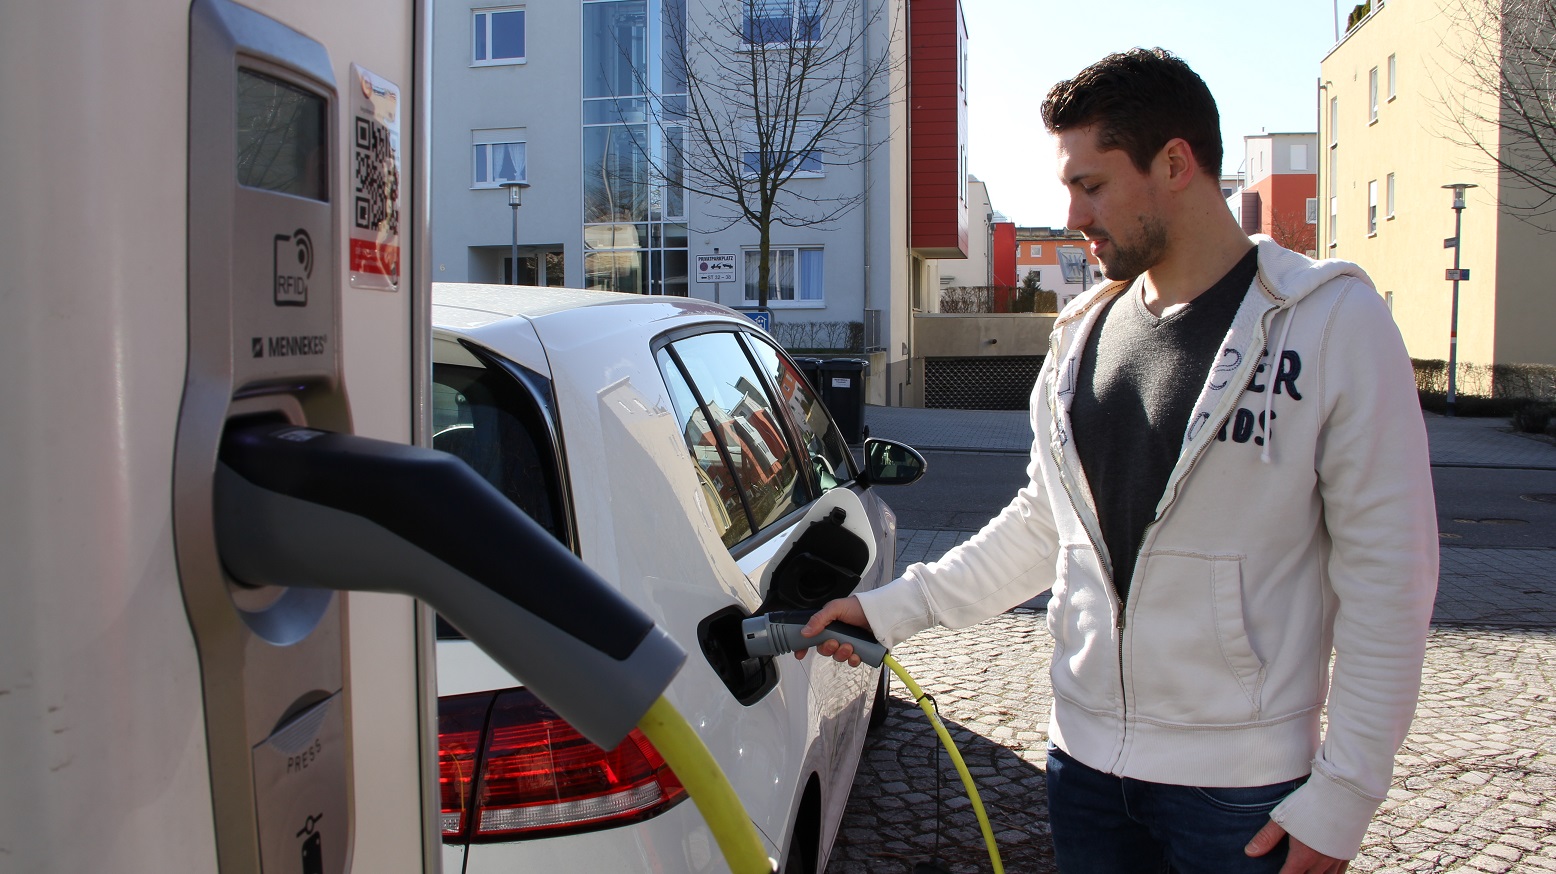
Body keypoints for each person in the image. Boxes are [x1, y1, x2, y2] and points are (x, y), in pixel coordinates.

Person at [799, 48, 1437, 874]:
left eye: (1091, 185)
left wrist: (1345, 793)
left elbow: (1392, 577)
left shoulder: (1329, 323)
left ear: (1175, 163)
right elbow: (1039, 526)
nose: (1071, 214)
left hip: (1243, 794)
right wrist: (890, 609)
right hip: (1085, 772)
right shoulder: (1080, 335)